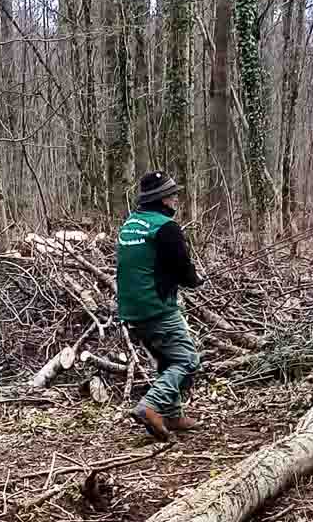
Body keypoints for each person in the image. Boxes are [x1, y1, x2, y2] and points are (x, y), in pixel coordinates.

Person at [116, 171, 204, 441]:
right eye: (172, 194)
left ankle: (173, 415)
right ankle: (150, 406)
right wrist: (197, 280)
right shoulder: (166, 228)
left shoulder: (131, 223)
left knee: (168, 359)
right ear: (162, 199)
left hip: (132, 310)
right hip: (158, 309)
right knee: (187, 360)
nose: (176, 198)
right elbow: (183, 271)